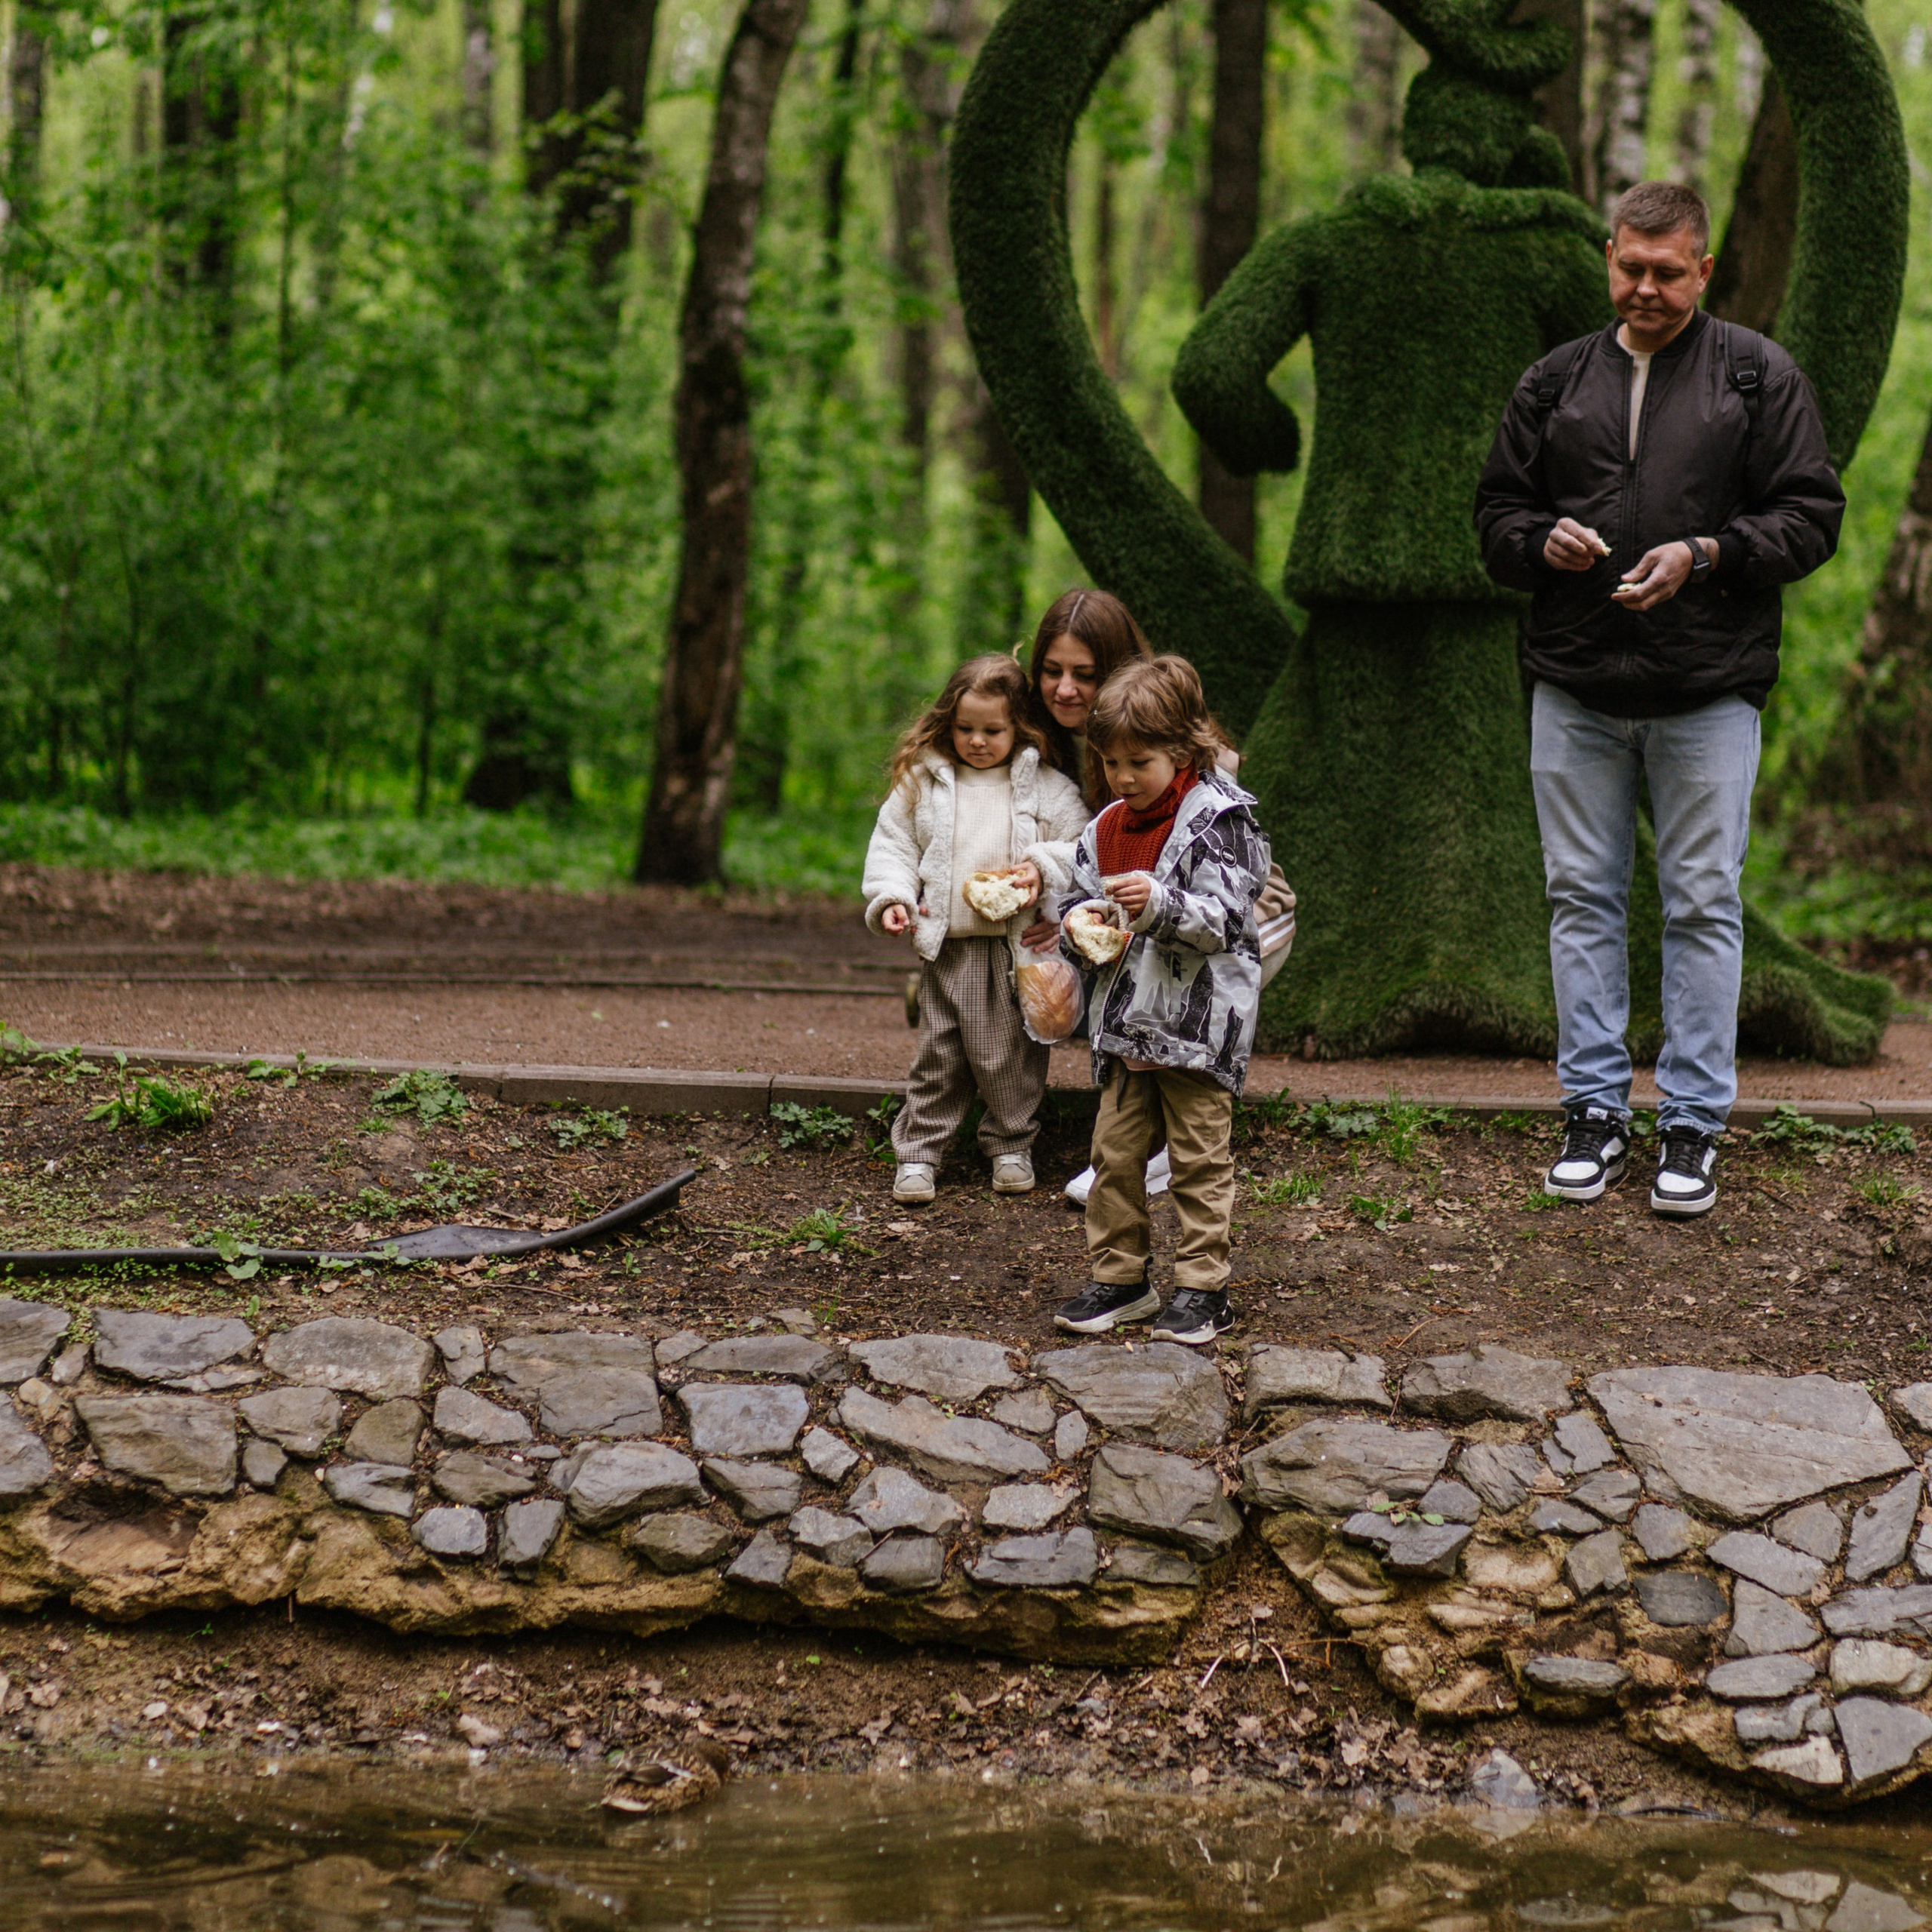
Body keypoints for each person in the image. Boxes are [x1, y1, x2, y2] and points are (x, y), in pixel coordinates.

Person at [1475, 179, 1844, 1218]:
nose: (1645, 288)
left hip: (1709, 689)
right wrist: (1536, 541)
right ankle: (1593, 1113)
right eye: (1630, 268)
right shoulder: (1555, 380)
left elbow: (1812, 516)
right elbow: (1496, 513)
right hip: (1575, 684)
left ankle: (1691, 1124)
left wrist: (1708, 553)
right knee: (1580, 900)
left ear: (1704, 270)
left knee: (1702, 903)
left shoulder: (1757, 374)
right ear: (1608, 257)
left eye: (1667, 273)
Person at [1019, 589, 1295, 1208]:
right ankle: (1117, 1138)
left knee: (1181, 1000)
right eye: (1052, 671)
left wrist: (1131, 906)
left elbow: (1221, 889)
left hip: (1242, 916)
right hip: (1136, 911)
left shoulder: (1184, 756)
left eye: (1084, 674)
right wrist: (1071, 912)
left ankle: (1172, 1144)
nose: (1065, 688)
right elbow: (1089, 851)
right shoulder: (1054, 740)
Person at [1049, 657, 1269, 1346]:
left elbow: (1227, 919)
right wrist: (1076, 924)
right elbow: (1078, 893)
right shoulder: (1108, 826)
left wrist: (1160, 903)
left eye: (1138, 762)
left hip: (1196, 1030)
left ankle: (1204, 1287)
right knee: (1114, 1157)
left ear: (1182, 749)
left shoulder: (1220, 822)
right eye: (1110, 762)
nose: (1122, 777)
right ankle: (1121, 1279)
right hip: (1126, 1028)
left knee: (1200, 1160)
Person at [863, 654, 1091, 1205]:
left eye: (993, 730)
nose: (978, 741)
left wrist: (1041, 868)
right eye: (965, 728)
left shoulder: (1044, 786)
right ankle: (920, 1152)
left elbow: (1082, 843)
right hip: (948, 947)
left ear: (1019, 728)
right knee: (939, 1055)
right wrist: (892, 897)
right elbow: (894, 845)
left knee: (1009, 1056)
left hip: (1013, 952)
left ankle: (1011, 1144)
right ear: (948, 722)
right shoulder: (925, 782)